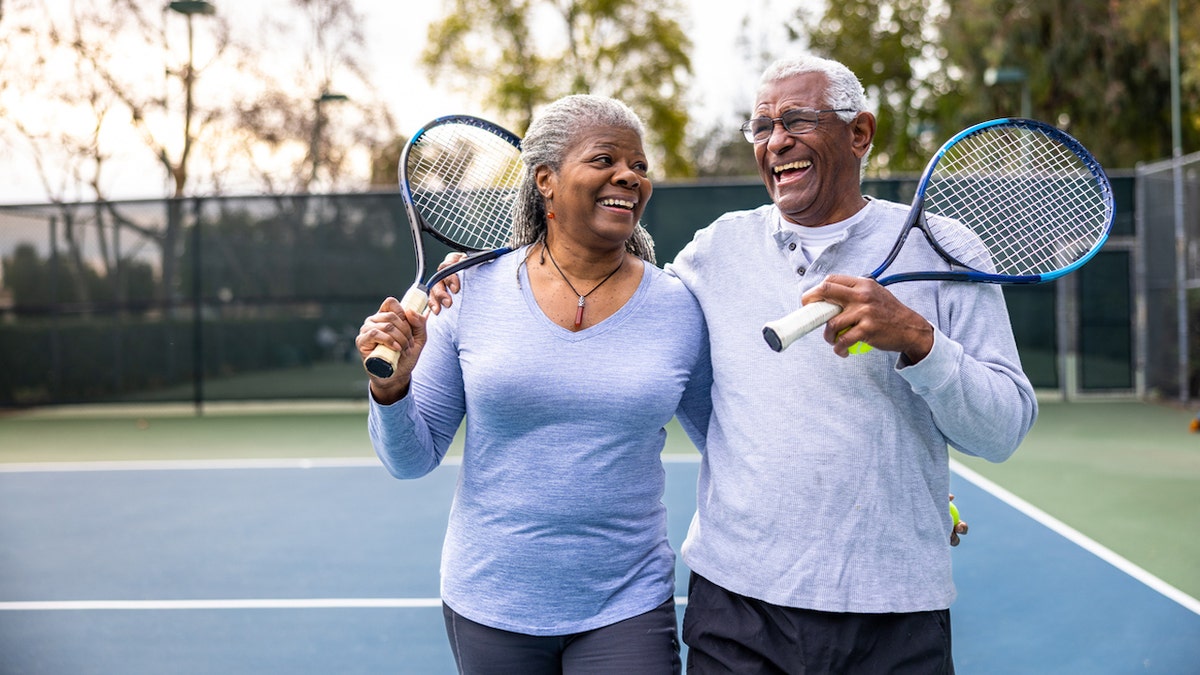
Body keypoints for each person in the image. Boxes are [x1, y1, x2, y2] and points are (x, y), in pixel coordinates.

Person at [665, 53, 1037, 673]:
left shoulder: (947, 248)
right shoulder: (715, 249)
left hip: (894, 607)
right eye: (762, 127)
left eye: (798, 120)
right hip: (736, 604)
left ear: (859, 133)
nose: (776, 141)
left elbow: (1001, 432)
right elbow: (656, 346)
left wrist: (917, 339)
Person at [355, 94, 712, 675]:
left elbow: (725, 441)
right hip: (490, 600)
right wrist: (390, 391)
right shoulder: (467, 290)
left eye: (640, 167)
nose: (628, 176)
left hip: (627, 602)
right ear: (545, 180)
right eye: (604, 159)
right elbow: (410, 460)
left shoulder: (677, 306)